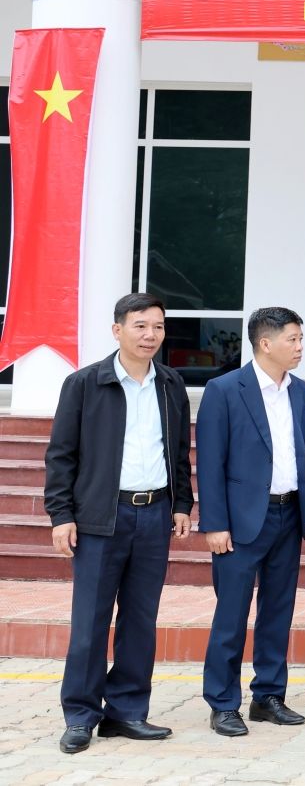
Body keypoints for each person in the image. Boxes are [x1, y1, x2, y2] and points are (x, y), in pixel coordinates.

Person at [45, 293, 193, 755]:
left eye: (158, 327)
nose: (151, 335)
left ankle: (127, 711)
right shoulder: (85, 384)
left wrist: (182, 504)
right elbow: (61, 455)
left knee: (140, 620)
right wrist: (61, 516)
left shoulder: (171, 384)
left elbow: (178, 452)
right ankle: (81, 715)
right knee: (90, 621)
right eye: (140, 326)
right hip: (100, 518)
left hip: (154, 515)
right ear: (118, 330)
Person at [195, 307, 305, 737]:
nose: (300, 347)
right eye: (292, 339)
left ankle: (268, 696)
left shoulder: (300, 391)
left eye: (300, 339)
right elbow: (210, 462)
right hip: (241, 521)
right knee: (231, 615)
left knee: (277, 612)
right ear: (266, 343)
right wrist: (214, 524)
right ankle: (223, 703)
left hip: (289, 514)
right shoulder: (225, 389)